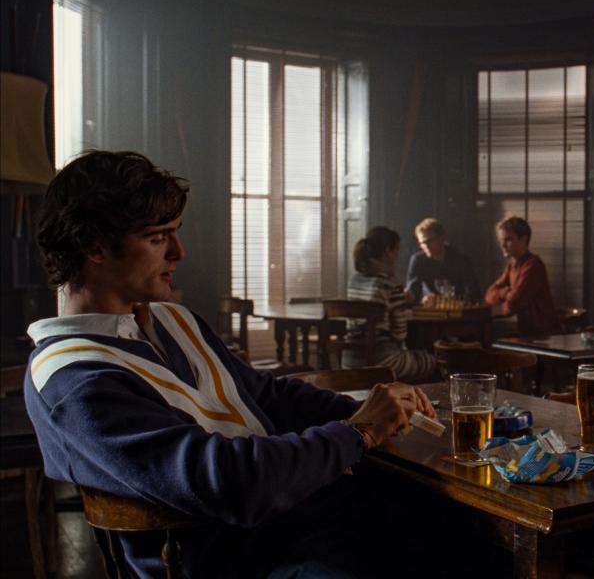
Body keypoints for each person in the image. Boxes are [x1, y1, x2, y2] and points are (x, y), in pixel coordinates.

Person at [25, 151, 436, 578]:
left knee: (452, 520)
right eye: (157, 237)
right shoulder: (74, 379)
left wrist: (367, 410)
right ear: (94, 246)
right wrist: (359, 431)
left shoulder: (171, 319)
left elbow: (266, 394)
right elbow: (230, 481)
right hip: (241, 560)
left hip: (298, 523)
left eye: (175, 233)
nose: (179, 252)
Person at [346, 226, 437, 382]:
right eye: (397, 251)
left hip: (350, 361)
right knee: (434, 361)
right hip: (383, 362)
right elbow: (400, 333)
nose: (397, 256)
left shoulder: (354, 280)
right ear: (388, 251)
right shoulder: (388, 283)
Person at [484, 216, 561, 336]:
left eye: (508, 240)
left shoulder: (533, 266)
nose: (503, 245)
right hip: (526, 333)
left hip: (544, 336)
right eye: (501, 240)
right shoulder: (512, 265)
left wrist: (505, 300)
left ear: (524, 239)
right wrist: (506, 292)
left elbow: (512, 305)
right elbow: (489, 295)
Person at [405, 217, 481, 304]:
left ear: (441, 238)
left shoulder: (461, 261)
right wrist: (419, 299)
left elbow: (474, 293)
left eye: (430, 241)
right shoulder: (418, 261)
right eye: (422, 243)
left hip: (458, 311)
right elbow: (412, 292)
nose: (426, 246)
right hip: (431, 312)